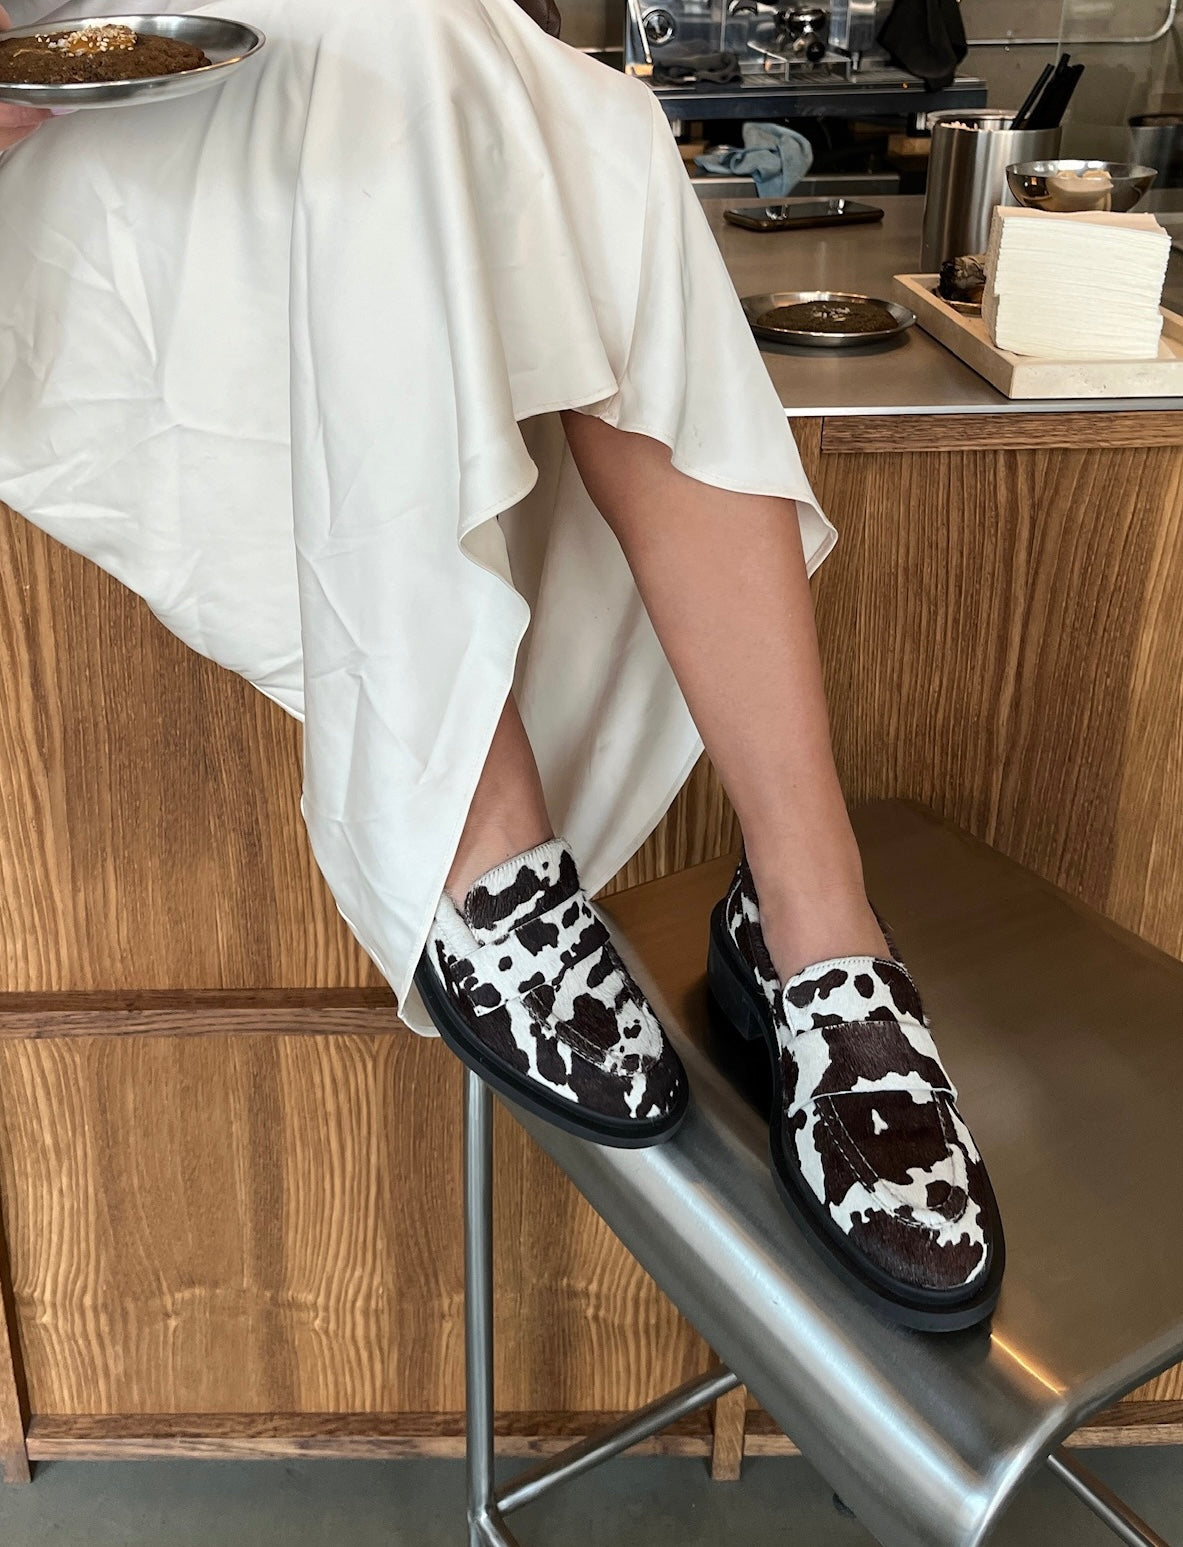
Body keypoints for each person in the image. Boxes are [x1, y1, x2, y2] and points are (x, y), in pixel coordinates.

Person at [0, 0, 1001, 1329]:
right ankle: (514, 829)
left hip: (249, 71)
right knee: (420, 63)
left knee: (595, 126)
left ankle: (810, 912)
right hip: (60, 143)